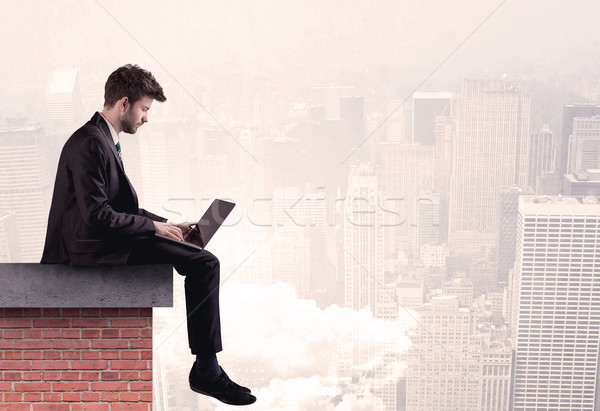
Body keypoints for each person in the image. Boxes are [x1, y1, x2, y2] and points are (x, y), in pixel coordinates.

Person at [41, 64, 256, 406]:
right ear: (124, 104)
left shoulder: (102, 139)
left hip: (103, 240)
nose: (146, 118)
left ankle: (208, 368)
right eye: (144, 109)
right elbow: (98, 216)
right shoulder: (89, 144)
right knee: (204, 263)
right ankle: (207, 371)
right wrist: (155, 229)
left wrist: (170, 226)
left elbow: (118, 208)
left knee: (195, 254)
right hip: (88, 251)